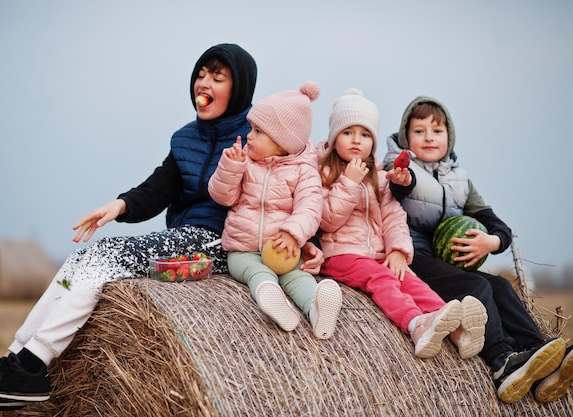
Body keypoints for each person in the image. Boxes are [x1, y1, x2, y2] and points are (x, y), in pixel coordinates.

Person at [0, 43, 324, 412]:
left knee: (105, 260)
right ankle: (14, 358)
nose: (203, 83)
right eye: (201, 74)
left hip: (217, 246)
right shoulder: (185, 139)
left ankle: (31, 366)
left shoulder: (260, 135)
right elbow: (158, 187)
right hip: (179, 238)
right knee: (80, 261)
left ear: (239, 88)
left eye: (217, 77)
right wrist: (118, 205)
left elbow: (298, 183)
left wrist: (308, 240)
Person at [382, 95, 572, 403]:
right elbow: (397, 186)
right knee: (476, 285)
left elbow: (497, 226)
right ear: (406, 137)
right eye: (419, 131)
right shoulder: (399, 167)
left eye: (437, 130)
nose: (429, 137)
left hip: (449, 263)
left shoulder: (460, 181)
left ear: (449, 136)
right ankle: (501, 360)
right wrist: (400, 179)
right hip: (414, 260)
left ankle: (540, 354)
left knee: (498, 283)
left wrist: (491, 241)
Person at [317, 89, 488, 359]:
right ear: (334, 137)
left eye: (364, 135)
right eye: (347, 133)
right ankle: (416, 325)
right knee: (383, 279)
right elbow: (326, 220)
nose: (356, 141)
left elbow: (394, 216)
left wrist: (397, 250)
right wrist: (348, 183)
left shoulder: (379, 177)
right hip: (341, 254)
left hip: (377, 254)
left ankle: (454, 327)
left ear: (372, 142)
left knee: (410, 279)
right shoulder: (325, 173)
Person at [208, 81, 342, 340]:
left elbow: (311, 206)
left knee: (297, 276)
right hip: (242, 248)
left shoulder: (304, 169)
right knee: (257, 272)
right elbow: (222, 196)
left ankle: (315, 309)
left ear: (283, 143)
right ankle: (271, 296)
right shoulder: (245, 161)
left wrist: (293, 233)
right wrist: (230, 168)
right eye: (251, 128)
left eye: (258, 131)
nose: (249, 135)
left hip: (282, 247)